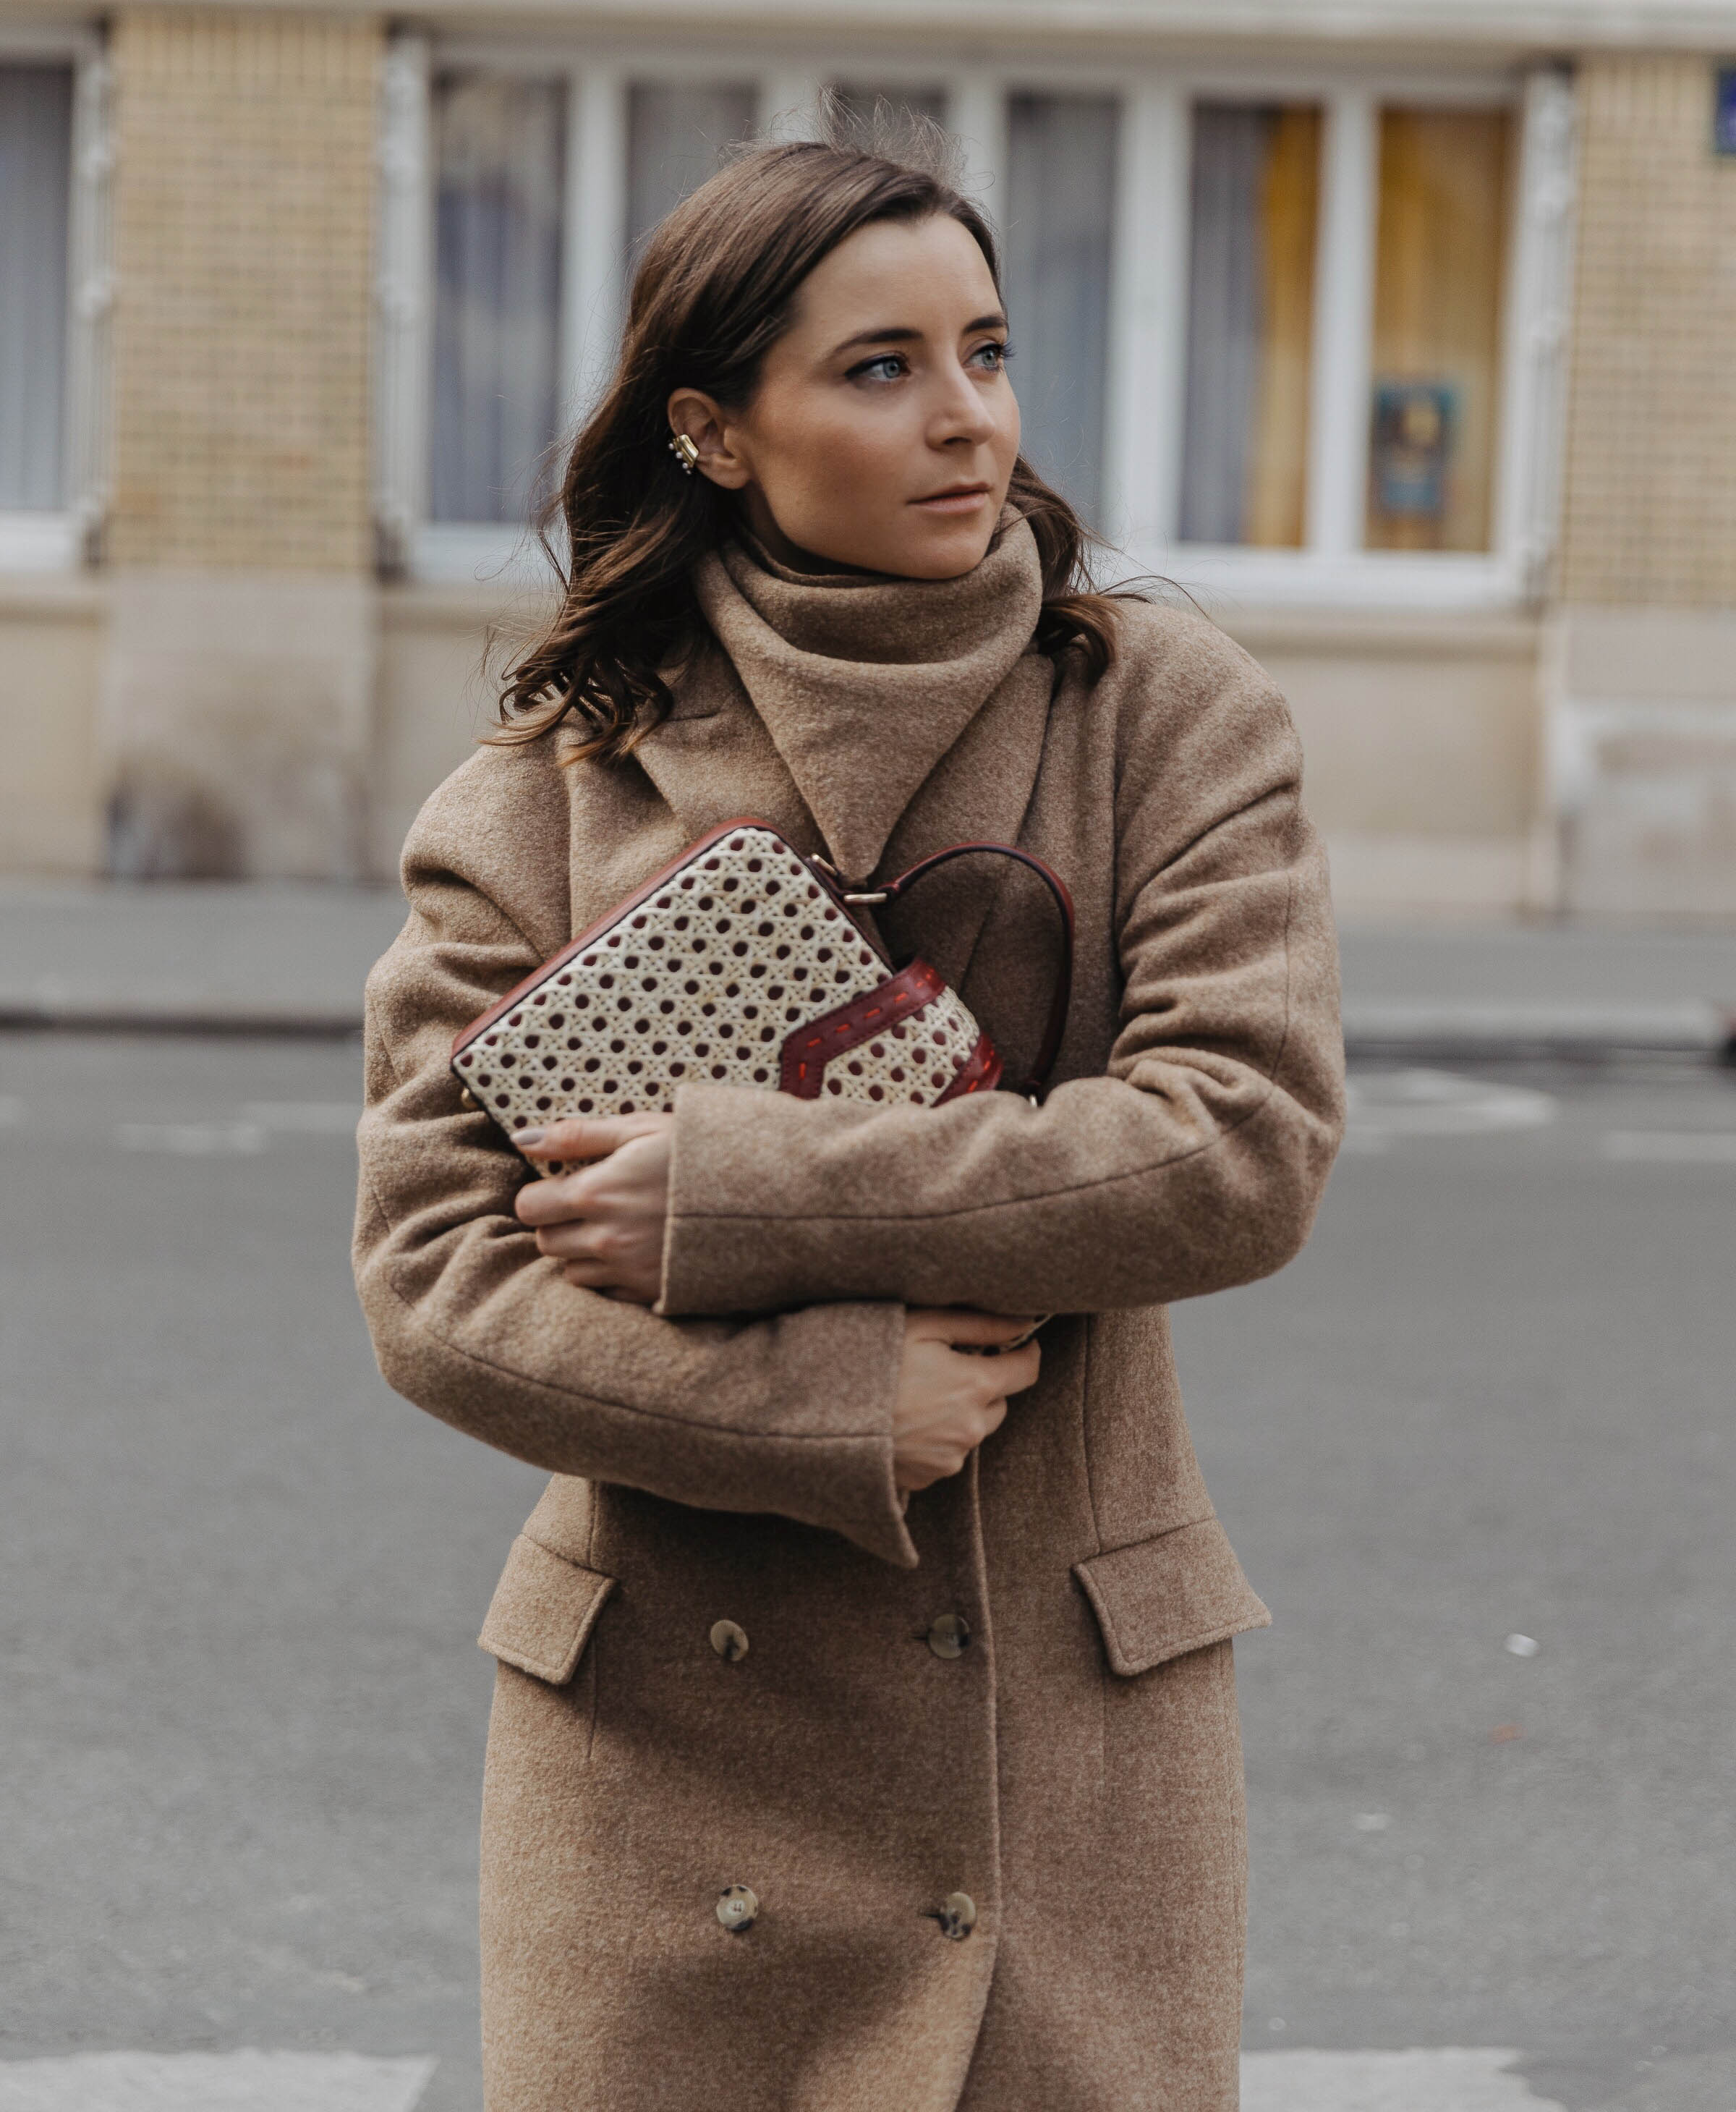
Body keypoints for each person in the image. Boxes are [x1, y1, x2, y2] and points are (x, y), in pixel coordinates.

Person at [353, 123, 1345, 2112]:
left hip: (1066, 1737)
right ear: (713, 429)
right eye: (880, 369)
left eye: (985, 351)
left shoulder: (1161, 707)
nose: (966, 418)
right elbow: (432, 1277)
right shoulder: (549, 788)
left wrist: (747, 1184)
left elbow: (1239, 1143)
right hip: (667, 1760)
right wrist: (817, 1410)